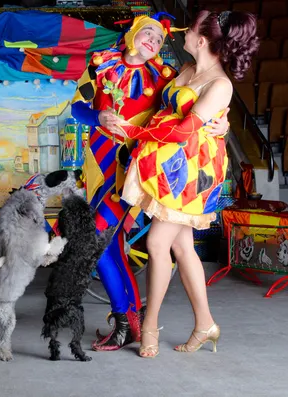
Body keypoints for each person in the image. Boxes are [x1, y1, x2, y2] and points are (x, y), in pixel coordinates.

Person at [100, 10, 259, 358]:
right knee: (183, 248)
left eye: (188, 31)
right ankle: (205, 324)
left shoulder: (220, 84)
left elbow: (185, 129)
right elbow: (162, 101)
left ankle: (150, 325)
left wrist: (133, 131)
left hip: (191, 175)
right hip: (167, 168)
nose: (181, 34)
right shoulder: (187, 69)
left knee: (158, 243)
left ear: (200, 40)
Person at [70, 12, 230, 351]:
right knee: (178, 247)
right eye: (148, 33)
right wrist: (98, 115)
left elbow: (196, 114)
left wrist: (223, 124)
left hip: (145, 169)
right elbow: (76, 108)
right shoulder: (101, 64)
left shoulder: (164, 74)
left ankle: (135, 322)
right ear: (131, 34)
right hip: (102, 163)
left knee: (106, 240)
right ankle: (197, 323)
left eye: (159, 39)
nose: (154, 41)